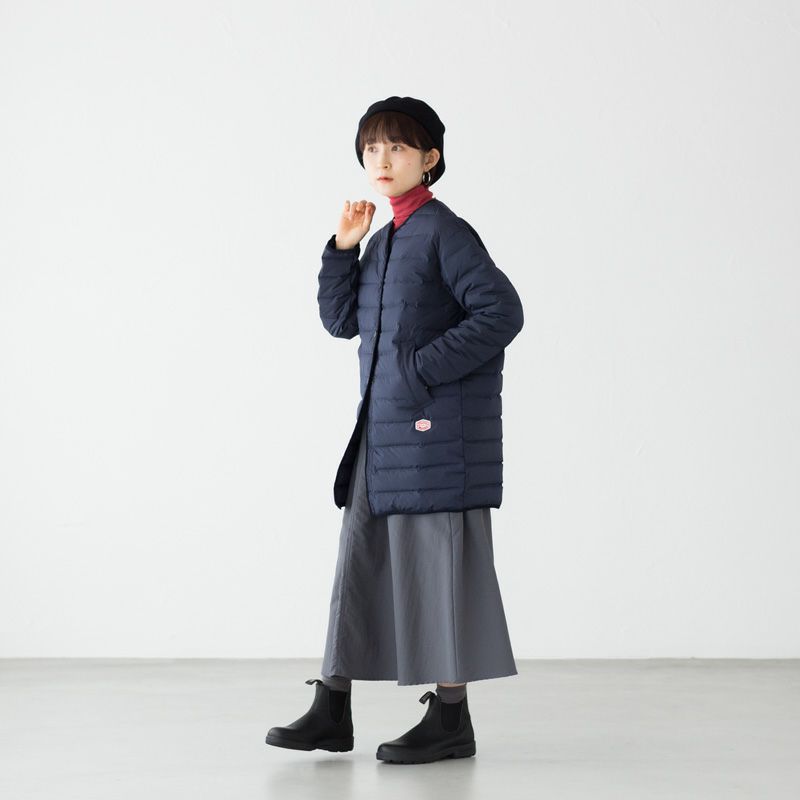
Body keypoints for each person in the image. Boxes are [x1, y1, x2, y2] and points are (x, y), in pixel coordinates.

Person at [265, 96, 524, 764]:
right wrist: (342, 249)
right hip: (381, 437)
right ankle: (331, 708)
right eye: (372, 148)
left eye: (398, 147)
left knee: (440, 572)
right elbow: (340, 321)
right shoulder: (383, 240)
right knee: (358, 564)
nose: (382, 160)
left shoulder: (444, 232)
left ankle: (452, 719)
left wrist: (419, 370)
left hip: (435, 440)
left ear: (429, 158)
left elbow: (501, 312)